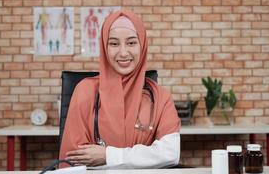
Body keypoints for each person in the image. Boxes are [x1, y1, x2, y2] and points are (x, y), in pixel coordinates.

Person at [59, 9, 181, 169]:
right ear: (104, 47)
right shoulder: (85, 91)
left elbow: (170, 154)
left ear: (142, 45)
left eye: (131, 43)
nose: (123, 53)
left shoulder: (161, 98)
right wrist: (144, 158)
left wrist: (108, 156)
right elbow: (74, 160)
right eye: (114, 43)